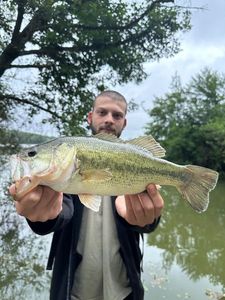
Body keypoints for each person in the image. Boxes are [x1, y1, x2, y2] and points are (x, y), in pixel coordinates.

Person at [9, 90, 164, 300]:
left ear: (124, 123)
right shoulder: (65, 165)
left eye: (117, 115)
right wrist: (41, 216)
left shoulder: (134, 161)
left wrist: (144, 220)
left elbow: (150, 217)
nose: (109, 119)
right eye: (102, 112)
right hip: (73, 291)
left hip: (124, 290)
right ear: (90, 117)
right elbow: (60, 212)